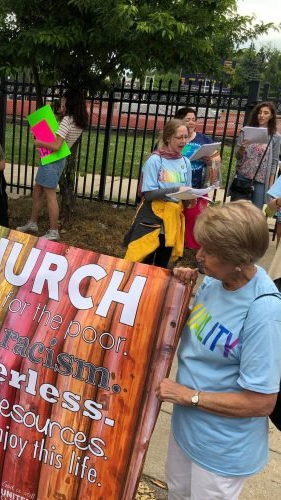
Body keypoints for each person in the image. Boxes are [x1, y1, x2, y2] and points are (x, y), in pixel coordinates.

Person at [156, 200, 281, 500]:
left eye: (209, 252)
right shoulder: (216, 281)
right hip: (187, 430)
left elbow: (261, 402)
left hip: (222, 449)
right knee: (178, 494)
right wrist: (180, 292)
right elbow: (201, 330)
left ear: (237, 258)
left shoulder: (263, 311)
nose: (199, 256)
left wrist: (188, 396)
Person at [17, 88, 88, 241]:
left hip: (52, 160)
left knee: (50, 196)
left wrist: (39, 142)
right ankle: (32, 222)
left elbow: (56, 145)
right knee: (38, 190)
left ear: (69, 103)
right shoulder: (77, 121)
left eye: (63, 101)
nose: (61, 104)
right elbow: (60, 142)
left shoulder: (67, 121)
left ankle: (53, 231)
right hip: (55, 160)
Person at [124, 119, 192, 268]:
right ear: (168, 138)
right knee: (143, 264)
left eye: (186, 137)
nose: (183, 141)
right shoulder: (155, 160)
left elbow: (187, 191)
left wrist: (191, 198)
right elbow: (148, 194)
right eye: (179, 137)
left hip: (171, 223)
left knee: (162, 266)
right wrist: (175, 191)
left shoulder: (186, 162)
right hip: (151, 222)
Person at [175, 107, 220, 249]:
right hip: (177, 185)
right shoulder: (173, 138)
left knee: (195, 217)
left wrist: (210, 159)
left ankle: (192, 246)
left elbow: (217, 159)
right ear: (179, 121)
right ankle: (177, 244)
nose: (191, 122)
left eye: (194, 120)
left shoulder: (204, 139)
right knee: (178, 215)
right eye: (187, 119)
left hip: (199, 186)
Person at [231, 101, 281, 209]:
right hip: (242, 177)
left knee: (255, 213)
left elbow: (274, 161)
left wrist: (270, 183)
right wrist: (242, 148)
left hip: (261, 180)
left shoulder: (275, 136)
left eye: (266, 113)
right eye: (259, 112)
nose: (261, 115)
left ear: (271, 116)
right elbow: (237, 156)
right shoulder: (246, 131)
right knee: (237, 212)